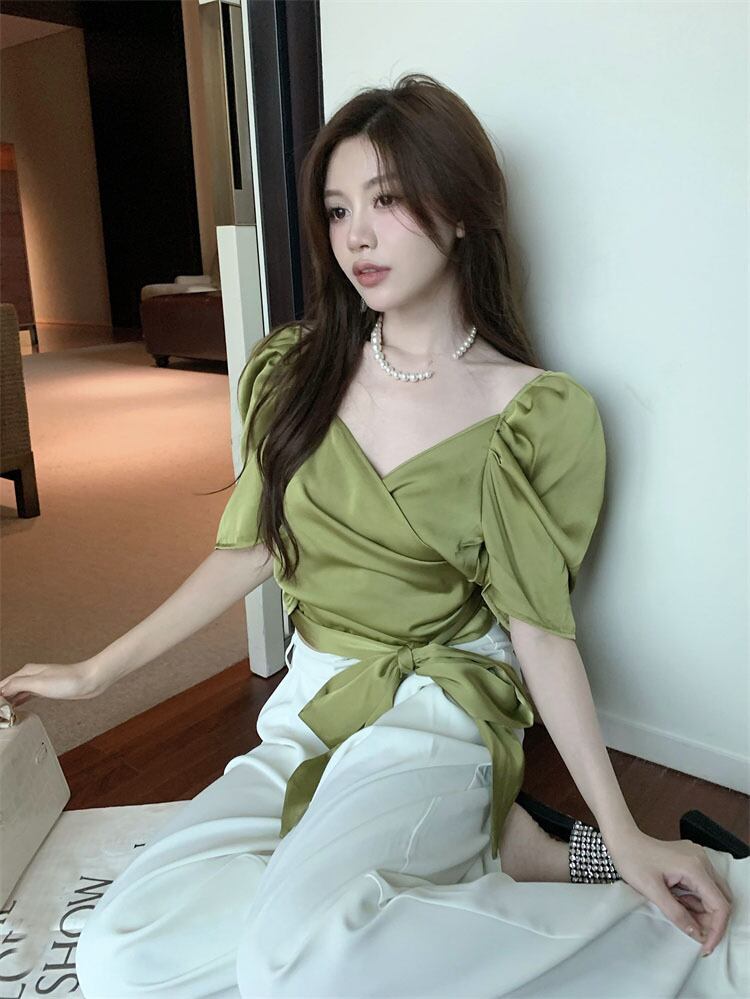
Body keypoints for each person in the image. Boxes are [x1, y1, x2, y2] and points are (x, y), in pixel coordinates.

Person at [2, 73, 747, 998]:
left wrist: (626, 832)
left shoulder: (530, 413)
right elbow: (250, 549)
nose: (356, 234)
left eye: (387, 200)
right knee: (122, 955)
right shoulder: (296, 371)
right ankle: (489, 853)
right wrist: (94, 673)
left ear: (462, 211)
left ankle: (686, 940)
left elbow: (539, 632)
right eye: (338, 207)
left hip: (439, 700)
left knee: (297, 961)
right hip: (315, 700)